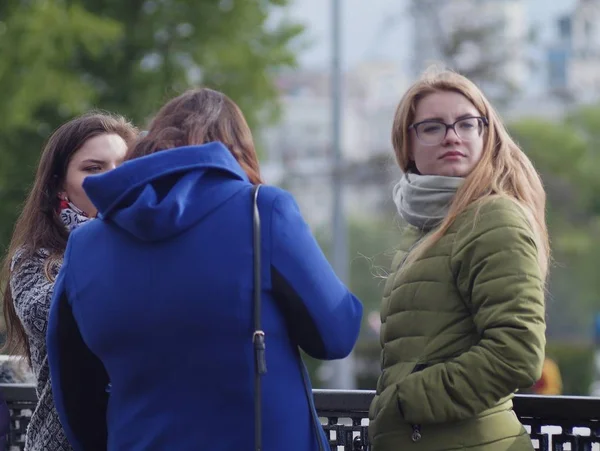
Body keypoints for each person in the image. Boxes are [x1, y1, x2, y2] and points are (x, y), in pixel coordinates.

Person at [46, 88, 363, 451]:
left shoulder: (84, 244)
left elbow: (73, 388)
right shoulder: (263, 211)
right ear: (238, 151)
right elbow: (336, 335)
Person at [368, 68, 548, 450]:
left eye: (466, 123)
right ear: (408, 145)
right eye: (432, 127)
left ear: (486, 134)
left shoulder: (493, 217)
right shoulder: (428, 227)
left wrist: (406, 400)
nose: (452, 135)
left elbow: (517, 352)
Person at [1, 112, 138, 451]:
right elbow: (49, 313)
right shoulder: (36, 257)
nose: (113, 178)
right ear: (60, 183)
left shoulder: (153, 246)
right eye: (94, 168)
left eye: (123, 165)